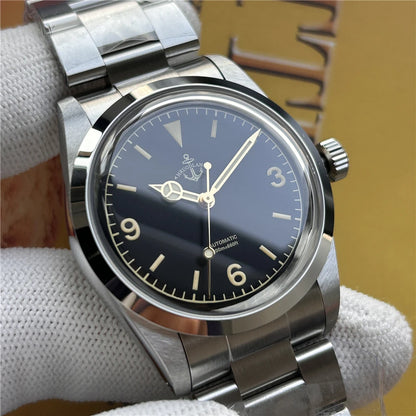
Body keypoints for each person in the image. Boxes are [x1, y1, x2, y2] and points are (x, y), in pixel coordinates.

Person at [0, 12, 413, 416]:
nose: (207, 200)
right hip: (194, 328)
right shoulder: (87, 130)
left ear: (322, 164)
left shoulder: (225, 86)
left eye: (208, 197)